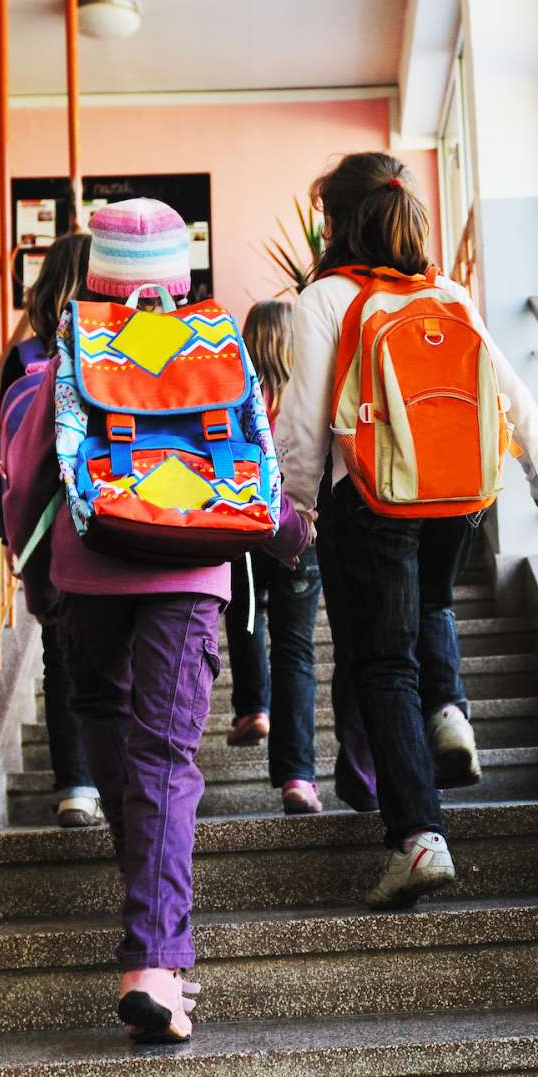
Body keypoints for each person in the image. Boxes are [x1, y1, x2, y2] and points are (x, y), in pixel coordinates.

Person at [3, 198, 313, 1043]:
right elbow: (255, 456)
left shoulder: (69, 351)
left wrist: (37, 579)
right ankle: (154, 960)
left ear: (98, 272)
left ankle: (149, 916)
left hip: (89, 564)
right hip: (191, 566)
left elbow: (26, 477)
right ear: (179, 277)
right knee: (170, 757)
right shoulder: (217, 347)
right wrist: (286, 532)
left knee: (104, 714)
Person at [275, 153, 538, 910]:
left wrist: (295, 513)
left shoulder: (326, 301)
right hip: (459, 500)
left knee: (381, 667)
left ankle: (418, 840)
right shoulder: (448, 293)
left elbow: (304, 428)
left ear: (337, 223)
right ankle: (451, 714)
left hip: (371, 501)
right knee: (432, 608)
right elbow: (510, 396)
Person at [0, 233, 103, 829]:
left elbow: (9, 459)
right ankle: (127, 777)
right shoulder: (118, 347)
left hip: (47, 522)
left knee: (61, 654)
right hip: (112, 515)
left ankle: (75, 786)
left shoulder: (23, 357)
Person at [222, 300, 325, 815]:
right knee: (295, 649)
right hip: (299, 533)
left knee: (244, 616)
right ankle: (297, 777)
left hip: (245, 531)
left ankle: (252, 707)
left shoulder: (236, 397)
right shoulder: (307, 397)